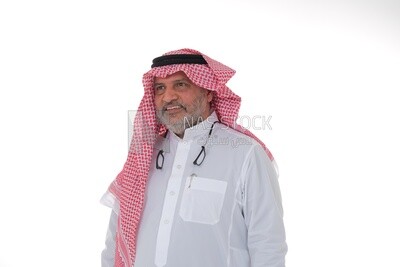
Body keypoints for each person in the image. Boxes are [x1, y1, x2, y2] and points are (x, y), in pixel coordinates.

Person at [100, 48, 288, 267]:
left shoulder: (246, 154)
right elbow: (114, 243)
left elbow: (268, 247)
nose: (168, 97)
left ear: (208, 92)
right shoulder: (142, 160)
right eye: (160, 88)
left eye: (181, 85)